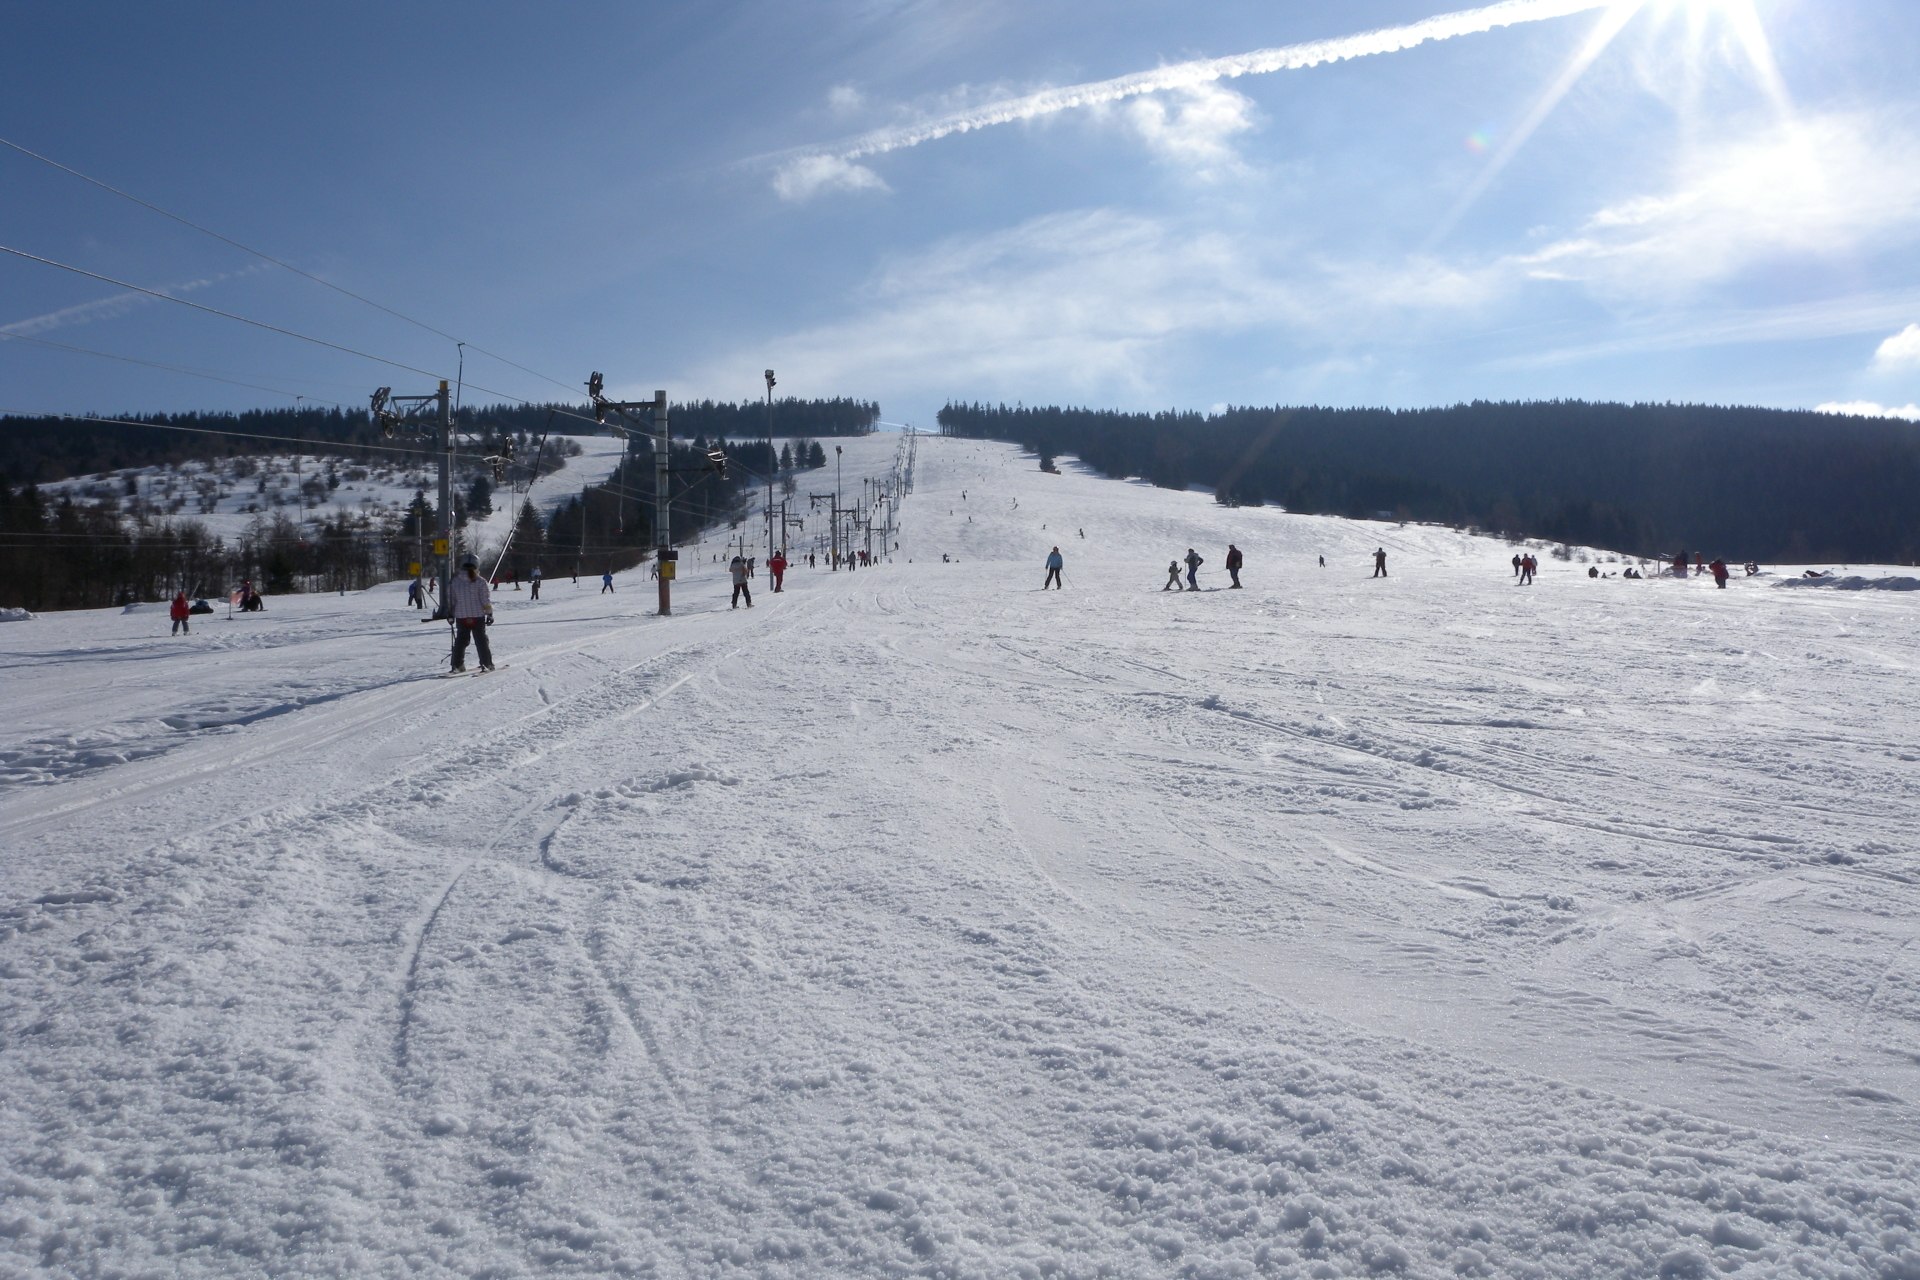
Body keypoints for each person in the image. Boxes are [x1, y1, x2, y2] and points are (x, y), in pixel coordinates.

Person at [448, 557, 494, 672]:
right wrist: (489, 613)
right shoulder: (480, 581)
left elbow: (451, 600)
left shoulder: (455, 581)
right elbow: (485, 600)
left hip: (461, 616)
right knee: (481, 640)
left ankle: (457, 665)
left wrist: (450, 614)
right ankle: (486, 663)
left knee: (461, 640)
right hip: (477, 616)